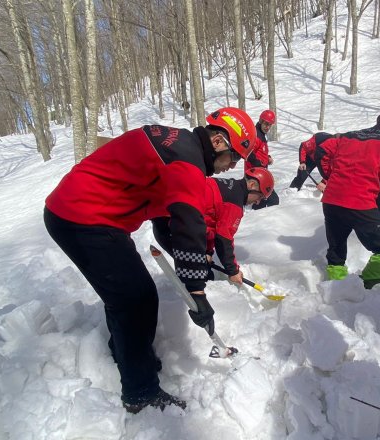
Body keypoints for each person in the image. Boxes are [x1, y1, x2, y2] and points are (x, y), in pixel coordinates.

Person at [44, 107, 257, 414]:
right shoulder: (187, 161)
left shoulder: (179, 147)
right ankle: (140, 393)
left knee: (132, 295)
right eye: (235, 157)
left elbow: (166, 223)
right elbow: (188, 222)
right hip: (82, 217)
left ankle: (128, 352)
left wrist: (196, 266)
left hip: (95, 215)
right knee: (133, 299)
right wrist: (196, 290)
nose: (232, 166)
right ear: (221, 142)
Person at [316, 108, 380, 289]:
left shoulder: (348, 135)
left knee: (336, 251)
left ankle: (336, 288)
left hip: (332, 201)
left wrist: (331, 177)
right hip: (361, 203)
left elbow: (321, 151)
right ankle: (365, 288)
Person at [155, 168, 275, 284]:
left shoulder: (228, 186)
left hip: (169, 221)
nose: (258, 202)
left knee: (204, 270)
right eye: (260, 196)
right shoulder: (233, 203)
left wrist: (207, 252)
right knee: (200, 277)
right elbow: (223, 239)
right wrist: (233, 271)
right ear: (252, 185)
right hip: (171, 225)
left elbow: (211, 225)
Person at [246, 109, 279, 209]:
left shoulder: (261, 135)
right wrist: (260, 166)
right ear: (261, 121)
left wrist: (267, 158)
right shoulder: (256, 135)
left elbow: (260, 152)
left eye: (270, 125)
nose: (267, 127)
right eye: (266, 124)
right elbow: (249, 153)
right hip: (256, 175)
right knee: (273, 200)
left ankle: (260, 219)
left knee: (262, 201)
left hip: (260, 174)